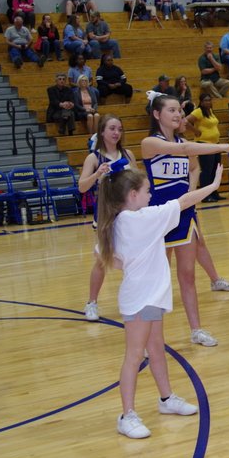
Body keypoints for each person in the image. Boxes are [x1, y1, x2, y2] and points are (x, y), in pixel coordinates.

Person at [96, 164, 218, 438]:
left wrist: (132, 263)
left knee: (156, 349)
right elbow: (183, 202)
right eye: (147, 191)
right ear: (133, 195)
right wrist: (212, 186)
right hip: (140, 299)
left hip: (149, 297)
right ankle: (126, 415)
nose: (151, 195)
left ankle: (166, 399)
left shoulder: (121, 221)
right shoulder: (139, 220)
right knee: (134, 356)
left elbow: (106, 256)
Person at [142, 95, 229, 347]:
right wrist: (224, 148)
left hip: (184, 214)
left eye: (179, 110)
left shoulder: (183, 142)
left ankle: (196, 330)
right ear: (157, 114)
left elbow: (192, 163)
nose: (178, 114)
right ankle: (146, 337)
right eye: (171, 110)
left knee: (188, 276)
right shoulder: (150, 143)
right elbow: (184, 150)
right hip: (159, 217)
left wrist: (191, 193)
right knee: (155, 280)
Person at [77, 115, 136, 321]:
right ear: (102, 132)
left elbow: (138, 182)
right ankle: (91, 303)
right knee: (102, 260)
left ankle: (134, 300)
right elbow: (82, 186)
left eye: (119, 129)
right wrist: (97, 175)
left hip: (129, 215)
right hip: (106, 215)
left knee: (133, 260)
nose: (116, 133)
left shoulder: (128, 154)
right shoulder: (93, 158)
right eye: (112, 128)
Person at [186, 94, 225, 202]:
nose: (208, 102)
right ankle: (205, 196)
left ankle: (214, 193)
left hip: (215, 144)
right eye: (205, 100)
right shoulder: (198, 111)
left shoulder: (210, 111)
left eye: (209, 100)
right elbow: (185, 121)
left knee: (214, 170)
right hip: (204, 144)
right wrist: (195, 131)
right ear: (201, 102)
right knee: (207, 170)